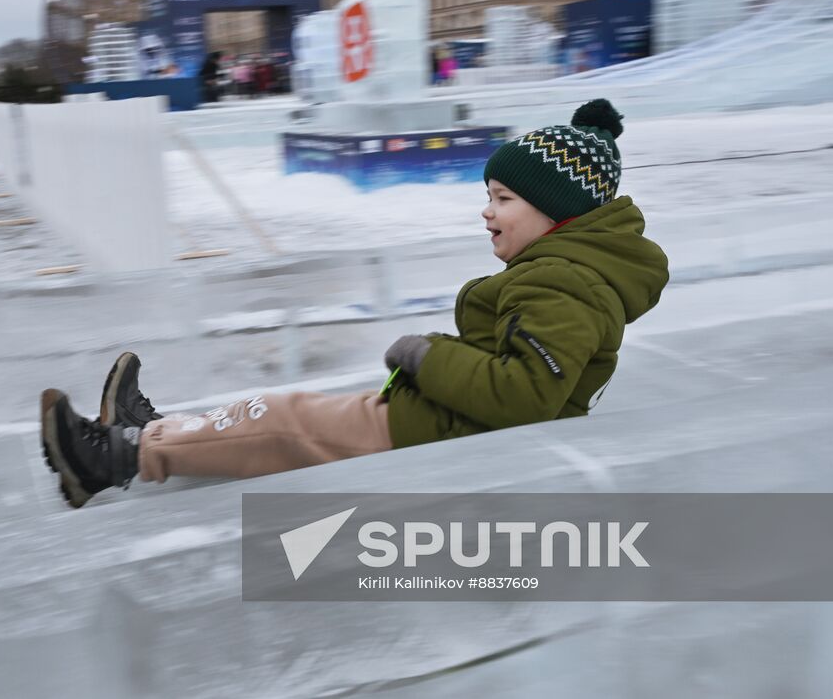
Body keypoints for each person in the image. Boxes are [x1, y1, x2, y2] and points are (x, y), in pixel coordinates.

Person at [39, 99, 669, 507]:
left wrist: (426, 356)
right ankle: (151, 433)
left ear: (555, 210)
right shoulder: (564, 275)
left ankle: (114, 457)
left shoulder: (563, 285)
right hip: (445, 424)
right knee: (282, 415)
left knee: (285, 422)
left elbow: (524, 396)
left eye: (503, 199)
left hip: (451, 439)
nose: (486, 211)